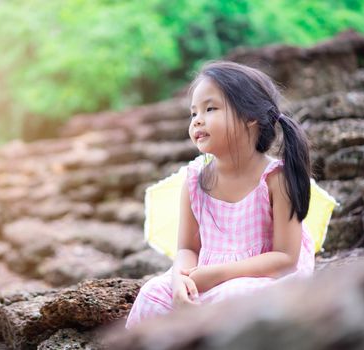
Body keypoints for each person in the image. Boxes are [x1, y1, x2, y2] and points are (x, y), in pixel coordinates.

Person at [125, 61, 315, 329]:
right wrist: (180, 279)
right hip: (204, 277)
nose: (197, 120)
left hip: (262, 278)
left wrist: (218, 274)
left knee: (232, 296)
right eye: (193, 114)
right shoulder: (195, 180)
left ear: (250, 117)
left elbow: (285, 258)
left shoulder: (275, 178)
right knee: (153, 293)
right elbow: (188, 248)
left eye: (210, 108)